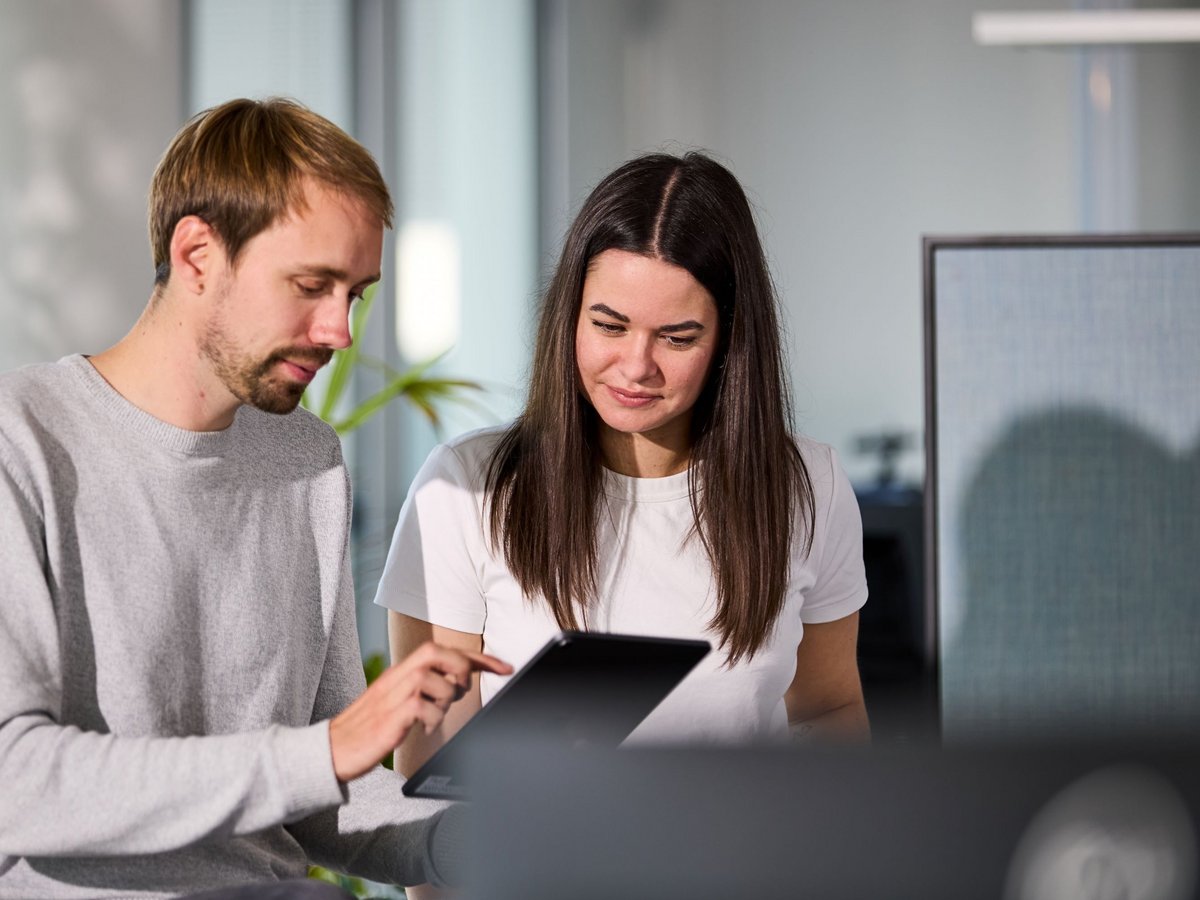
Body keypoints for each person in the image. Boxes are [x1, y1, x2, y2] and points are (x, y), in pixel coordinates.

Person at [0, 97, 511, 899]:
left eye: (357, 294)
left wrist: (501, 841)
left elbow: (319, 797)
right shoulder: (20, 443)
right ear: (198, 253)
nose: (340, 330)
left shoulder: (305, 460)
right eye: (313, 285)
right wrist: (320, 753)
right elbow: (14, 783)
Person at [377, 151, 868, 783]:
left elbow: (830, 708)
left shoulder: (809, 487)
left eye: (677, 337)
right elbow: (431, 769)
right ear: (569, 318)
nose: (636, 367)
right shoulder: (466, 488)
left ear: (729, 341)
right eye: (609, 325)